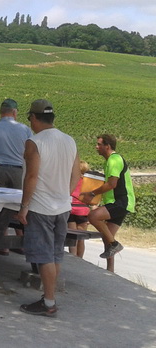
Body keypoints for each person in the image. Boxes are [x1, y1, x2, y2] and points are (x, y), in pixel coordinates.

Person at [17, 99, 80, 318]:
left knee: (43, 256)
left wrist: (24, 206)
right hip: (62, 206)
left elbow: (32, 176)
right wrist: (64, 193)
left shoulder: (34, 142)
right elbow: (76, 175)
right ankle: (48, 296)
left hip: (40, 207)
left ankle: (49, 302)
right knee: (55, 255)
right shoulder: (69, 140)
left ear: (33, 118)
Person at [80, 134, 135, 272]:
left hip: (121, 201)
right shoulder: (109, 161)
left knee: (92, 216)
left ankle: (115, 244)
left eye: (99, 144)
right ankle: (110, 270)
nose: (96, 147)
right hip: (118, 201)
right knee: (107, 237)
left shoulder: (114, 160)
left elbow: (111, 184)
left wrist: (92, 194)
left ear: (107, 146)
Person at [68, 160, 91, 258]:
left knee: (72, 237)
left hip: (71, 209)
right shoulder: (88, 183)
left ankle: (72, 256)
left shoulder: (71, 180)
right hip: (83, 211)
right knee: (81, 238)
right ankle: (80, 258)